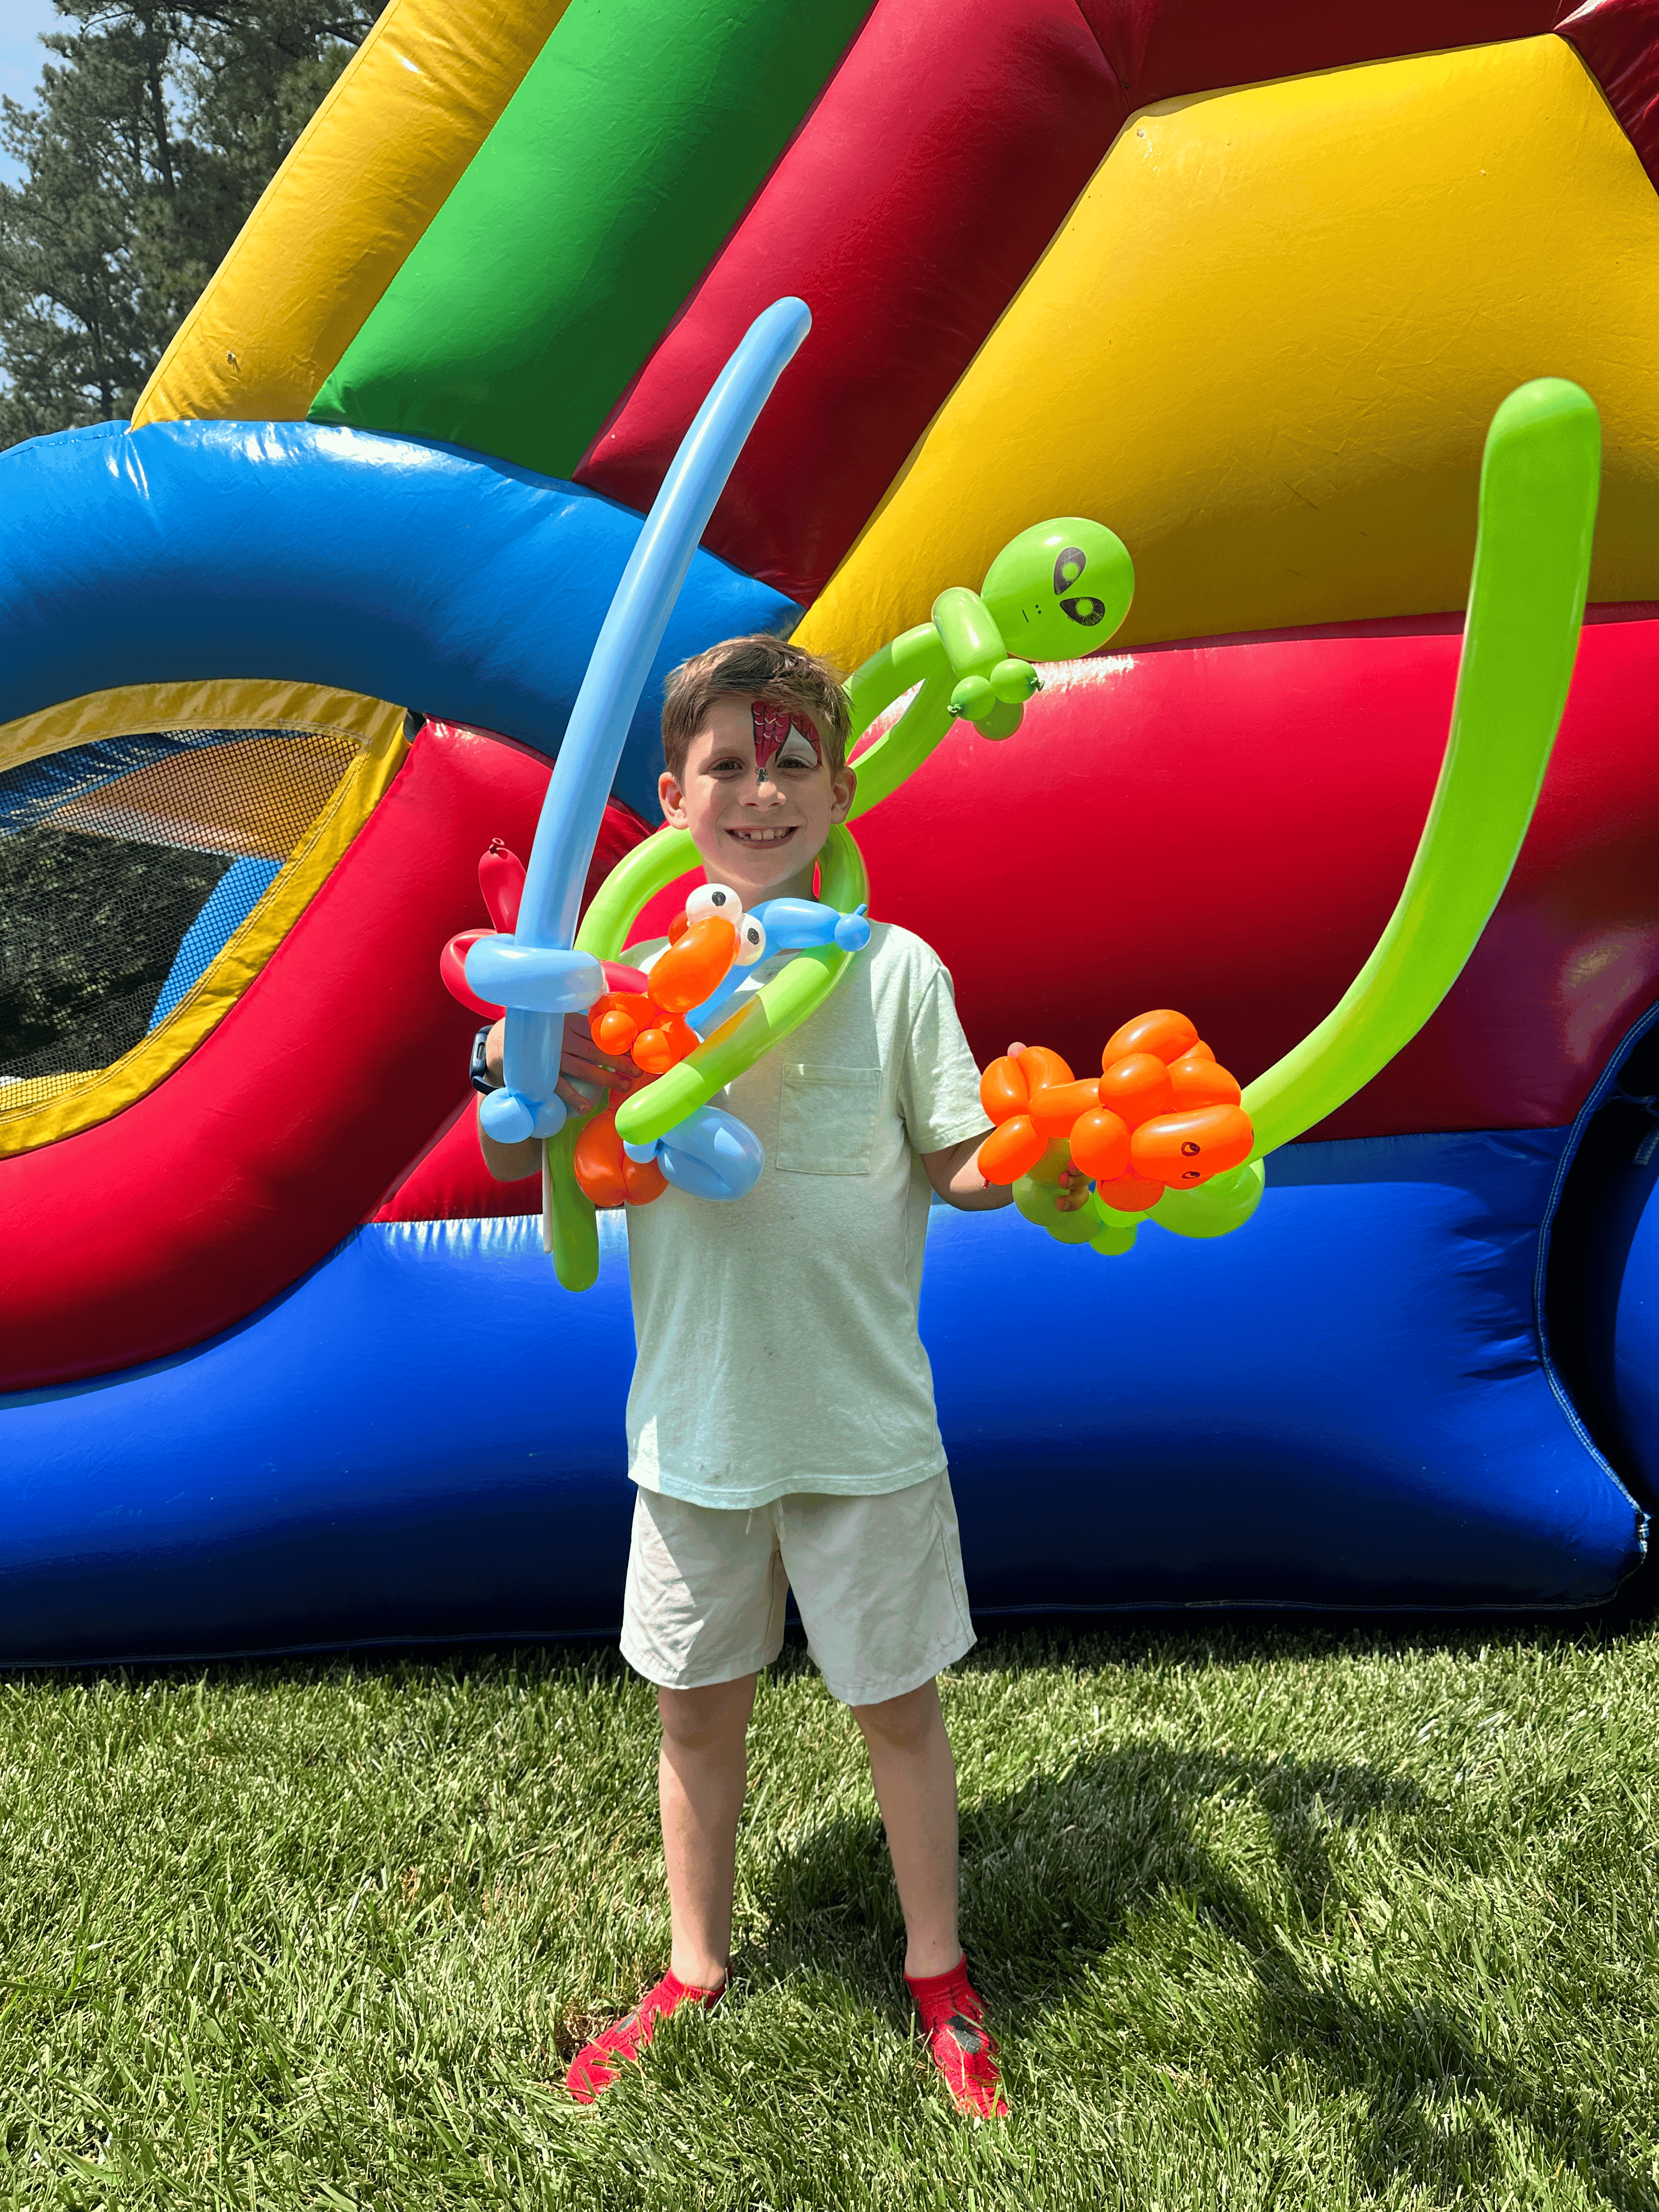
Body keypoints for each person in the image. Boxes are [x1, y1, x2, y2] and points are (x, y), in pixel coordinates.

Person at [479, 635, 1071, 2119]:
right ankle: (693, 1966)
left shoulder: (897, 972)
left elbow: (962, 1164)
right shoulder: (625, 981)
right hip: (697, 1422)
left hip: (865, 1417)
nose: (761, 787)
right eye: (727, 764)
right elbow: (537, 1151)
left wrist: (1050, 1148)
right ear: (674, 796)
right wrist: (518, 1075)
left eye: (792, 756)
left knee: (899, 1706)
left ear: (843, 786)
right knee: (695, 1707)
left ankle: (939, 1964)